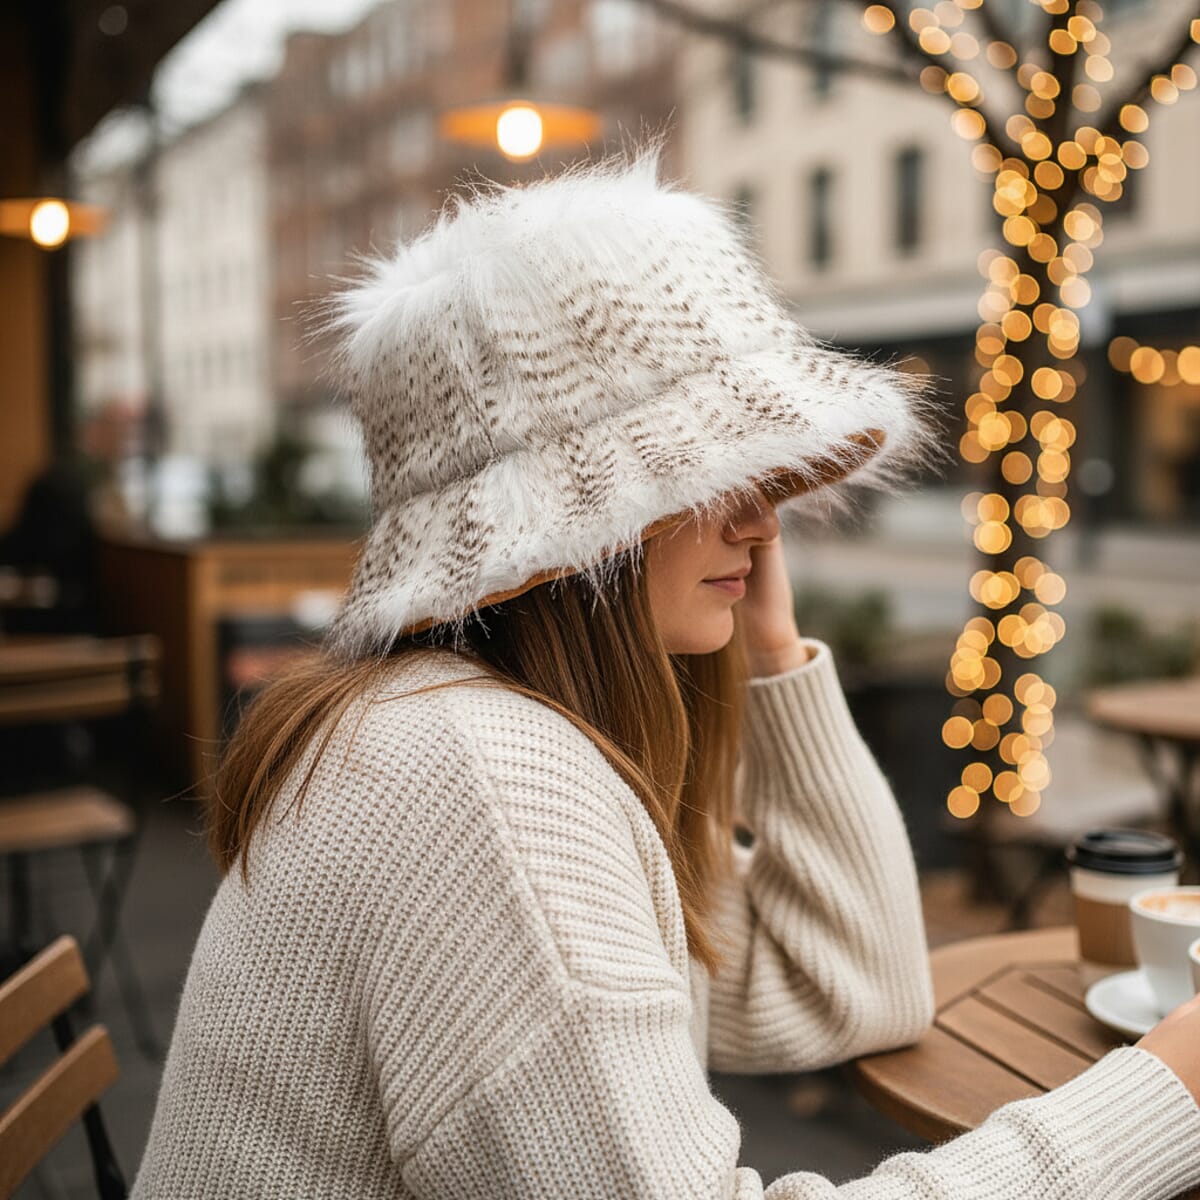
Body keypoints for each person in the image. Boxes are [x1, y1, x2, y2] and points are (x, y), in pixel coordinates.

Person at [131, 150, 1200, 1199]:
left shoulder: (486, 731)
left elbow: (865, 991)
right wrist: (1169, 1095)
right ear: (570, 526)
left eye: (760, 467)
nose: (760, 516)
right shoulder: (486, 781)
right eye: (712, 468)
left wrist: (776, 658)